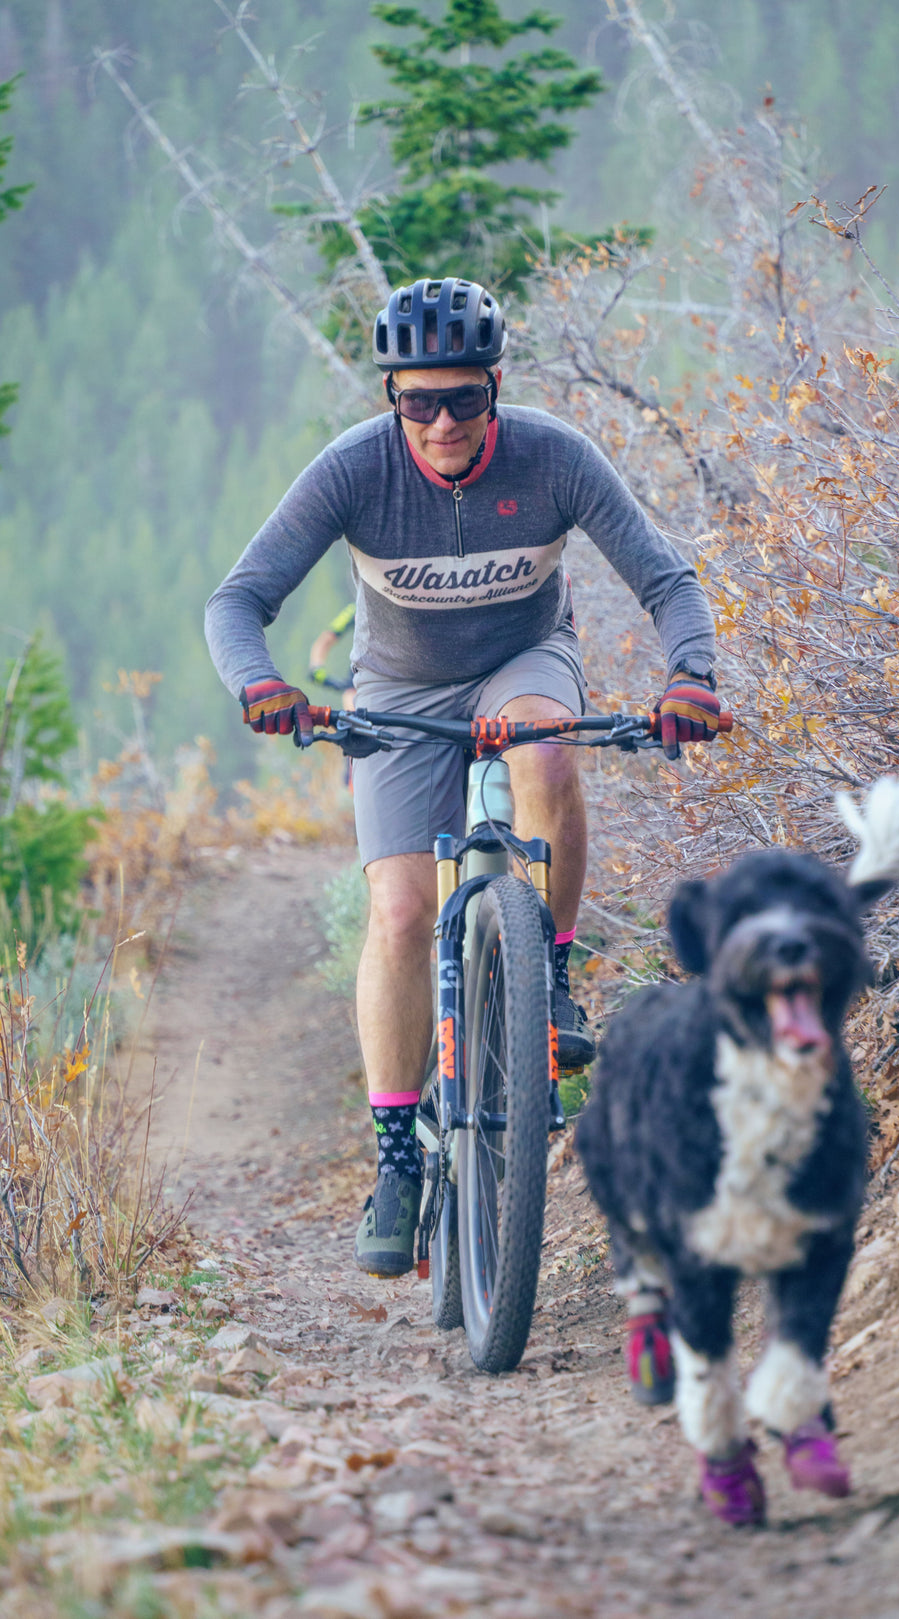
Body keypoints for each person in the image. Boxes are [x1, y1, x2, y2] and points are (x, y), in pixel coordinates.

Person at [205, 276, 723, 1278]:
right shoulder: (354, 471)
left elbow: (666, 577)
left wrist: (691, 677)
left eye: (464, 399)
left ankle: (550, 981)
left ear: (496, 387)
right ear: (391, 397)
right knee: (399, 915)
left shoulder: (555, 457)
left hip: (524, 664)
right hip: (398, 687)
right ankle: (398, 1161)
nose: (441, 422)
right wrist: (259, 682)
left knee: (544, 747)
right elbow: (240, 600)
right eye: (417, 402)